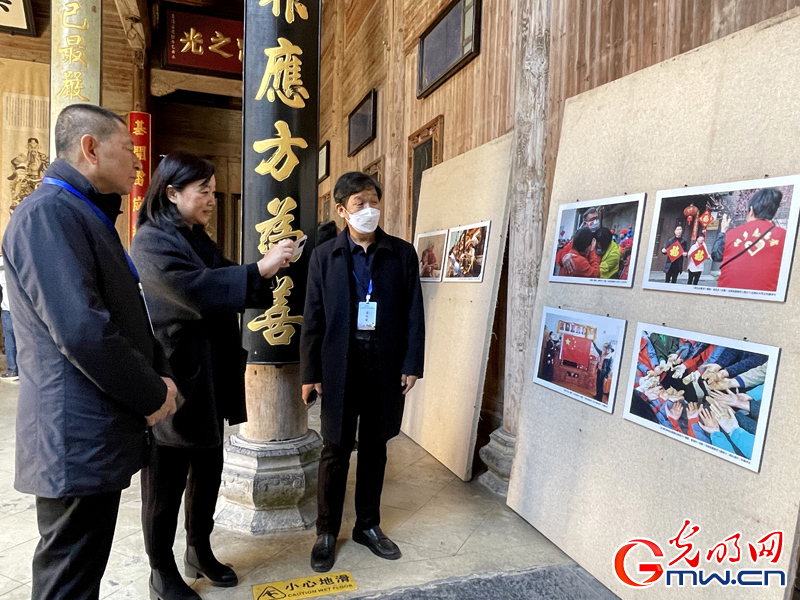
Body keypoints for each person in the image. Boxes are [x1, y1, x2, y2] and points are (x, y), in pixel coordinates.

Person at [1, 104, 178, 600]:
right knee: (68, 584)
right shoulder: (48, 214)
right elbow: (82, 331)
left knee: (81, 576)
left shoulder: (79, 212)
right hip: (72, 438)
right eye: (129, 150)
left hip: (90, 435)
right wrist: (151, 393)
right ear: (90, 149)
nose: (138, 163)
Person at [130, 153, 295, 600]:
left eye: (212, 189)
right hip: (173, 381)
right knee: (165, 482)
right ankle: (160, 570)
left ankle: (199, 548)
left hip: (209, 375)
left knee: (209, 468)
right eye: (202, 190)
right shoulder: (149, 241)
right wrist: (258, 269)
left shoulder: (195, 237)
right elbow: (194, 291)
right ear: (172, 193)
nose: (211, 199)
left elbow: (221, 276)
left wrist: (265, 267)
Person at [300, 172, 425, 573]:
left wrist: (412, 364)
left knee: (375, 447)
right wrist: (309, 372)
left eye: (373, 202)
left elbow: (413, 314)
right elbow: (313, 318)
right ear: (341, 211)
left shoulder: (402, 254)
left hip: (383, 364)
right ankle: (326, 531)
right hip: (340, 365)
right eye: (359, 204)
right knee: (334, 448)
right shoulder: (324, 257)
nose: (368, 210)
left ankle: (367, 526)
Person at [711, 189, 786, 291]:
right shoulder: (784, 236)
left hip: (726, 296)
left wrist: (723, 231)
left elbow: (716, 255)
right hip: (767, 298)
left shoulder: (732, 234)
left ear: (751, 211)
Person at [555, 207, 599, 274]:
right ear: (585, 224)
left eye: (597, 218)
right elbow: (560, 254)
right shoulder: (579, 238)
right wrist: (565, 256)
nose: (596, 222)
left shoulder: (601, 236)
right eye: (592, 219)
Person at [0, 254, 18, 381]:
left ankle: (12, 370)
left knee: (10, 338)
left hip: (7, 307)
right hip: (22, 306)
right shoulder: (17, 254)